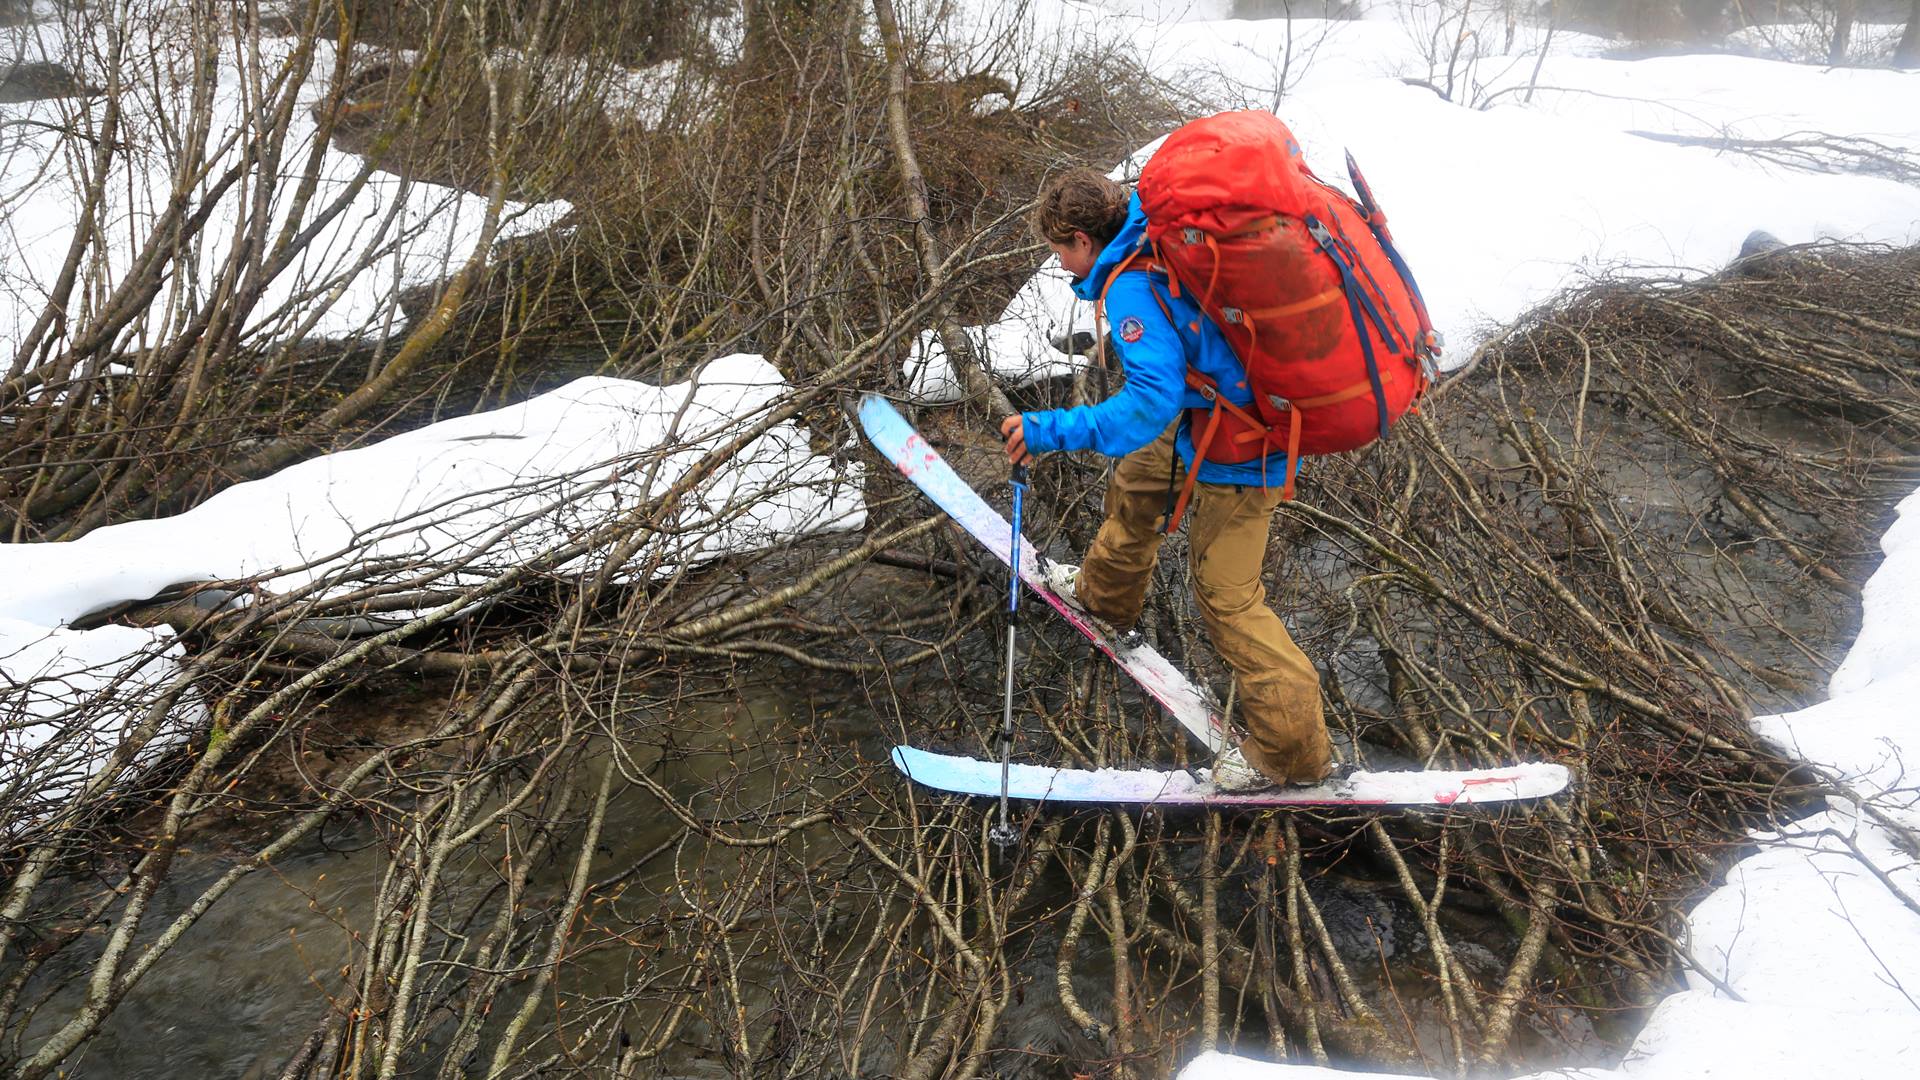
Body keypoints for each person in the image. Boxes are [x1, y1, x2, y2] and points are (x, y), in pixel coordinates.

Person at [999, 168, 1336, 791]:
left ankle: (1293, 758)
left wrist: (1049, 429)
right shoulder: (1151, 238)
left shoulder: (1131, 285)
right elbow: (1184, 343)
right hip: (1214, 418)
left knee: (1226, 598)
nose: (1062, 265)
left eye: (1059, 253)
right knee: (1141, 479)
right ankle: (1104, 593)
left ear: (1080, 237)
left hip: (1242, 448)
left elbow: (1147, 407)